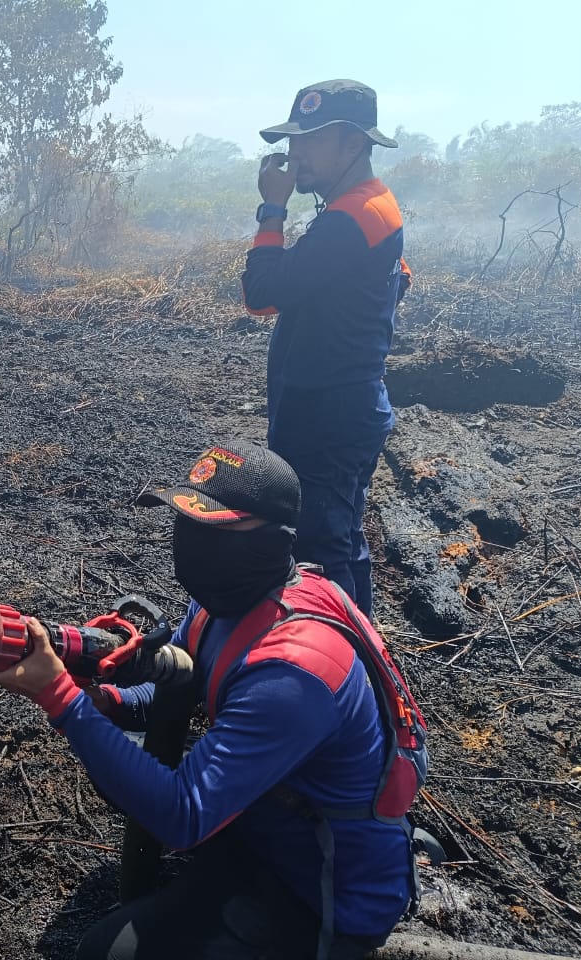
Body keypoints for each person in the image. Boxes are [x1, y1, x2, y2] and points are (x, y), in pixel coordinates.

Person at [0, 441, 417, 960]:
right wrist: (106, 701)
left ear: (275, 542)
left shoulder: (295, 672)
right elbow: (177, 685)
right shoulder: (231, 598)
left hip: (320, 894)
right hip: (269, 822)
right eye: (188, 524)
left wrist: (61, 698)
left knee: (104, 953)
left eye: (217, 529)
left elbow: (182, 816)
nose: (196, 542)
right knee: (121, 752)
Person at [241, 79, 411, 617]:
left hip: (327, 414)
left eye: (312, 139)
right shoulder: (367, 206)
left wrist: (272, 209)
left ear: (353, 142)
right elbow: (394, 277)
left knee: (325, 549)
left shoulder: (350, 217)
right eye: (295, 139)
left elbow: (262, 296)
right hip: (337, 405)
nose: (297, 153)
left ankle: (354, 668)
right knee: (332, 537)